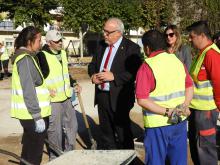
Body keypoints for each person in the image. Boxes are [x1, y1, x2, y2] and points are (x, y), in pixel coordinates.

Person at [136, 30, 193, 165]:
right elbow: (190, 86)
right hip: (179, 122)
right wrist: (185, 105)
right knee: (178, 161)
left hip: (157, 126)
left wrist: (167, 112)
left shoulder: (146, 66)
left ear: (147, 48)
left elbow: (142, 100)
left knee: (156, 161)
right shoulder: (177, 61)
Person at [88, 17, 142, 149]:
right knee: (106, 134)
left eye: (108, 32)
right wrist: (93, 75)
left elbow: (134, 72)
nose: (104, 34)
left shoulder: (132, 48)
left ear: (119, 33)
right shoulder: (101, 45)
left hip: (120, 98)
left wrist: (114, 77)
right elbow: (92, 64)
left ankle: (128, 160)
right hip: (102, 96)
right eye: (104, 31)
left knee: (123, 134)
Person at [36, 30, 80, 160]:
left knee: (72, 126)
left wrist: (74, 83)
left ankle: (69, 153)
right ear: (49, 43)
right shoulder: (41, 56)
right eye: (57, 41)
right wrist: (46, 90)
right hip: (53, 100)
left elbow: (65, 73)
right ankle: (55, 157)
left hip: (67, 96)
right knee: (55, 130)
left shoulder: (63, 53)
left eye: (61, 40)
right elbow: (37, 79)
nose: (60, 43)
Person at [11, 26, 51, 165]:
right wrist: (37, 116)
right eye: (39, 40)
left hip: (30, 115)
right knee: (34, 155)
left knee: (28, 152)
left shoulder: (28, 58)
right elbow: (28, 89)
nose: (41, 43)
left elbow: (35, 85)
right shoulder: (25, 59)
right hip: (32, 116)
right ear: (29, 41)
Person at [187, 21, 220, 165]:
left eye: (192, 36)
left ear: (202, 36)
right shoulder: (202, 53)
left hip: (206, 111)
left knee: (205, 149)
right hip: (197, 109)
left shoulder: (212, 54)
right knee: (197, 147)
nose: (189, 39)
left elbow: (219, 82)